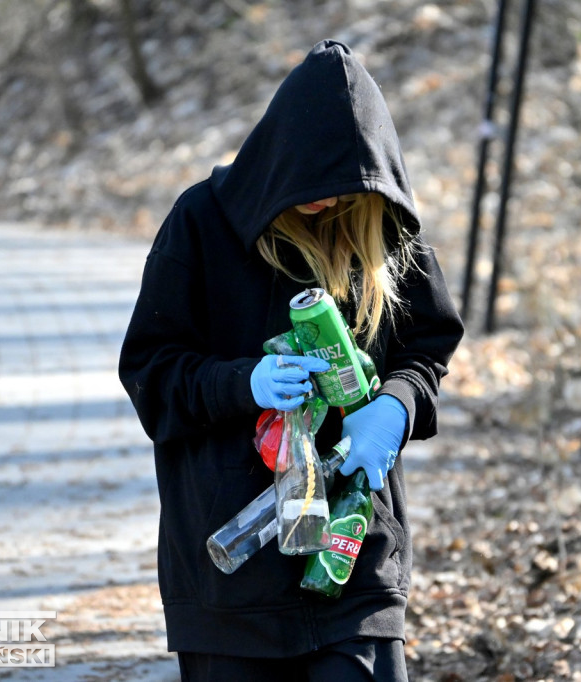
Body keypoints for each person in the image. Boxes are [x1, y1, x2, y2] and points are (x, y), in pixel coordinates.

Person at [119, 39, 464, 681]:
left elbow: (427, 345)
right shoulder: (201, 223)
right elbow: (150, 368)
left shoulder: (383, 227)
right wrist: (239, 384)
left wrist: (397, 405)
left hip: (354, 552)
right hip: (231, 571)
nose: (327, 203)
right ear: (279, 157)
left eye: (343, 188)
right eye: (313, 182)